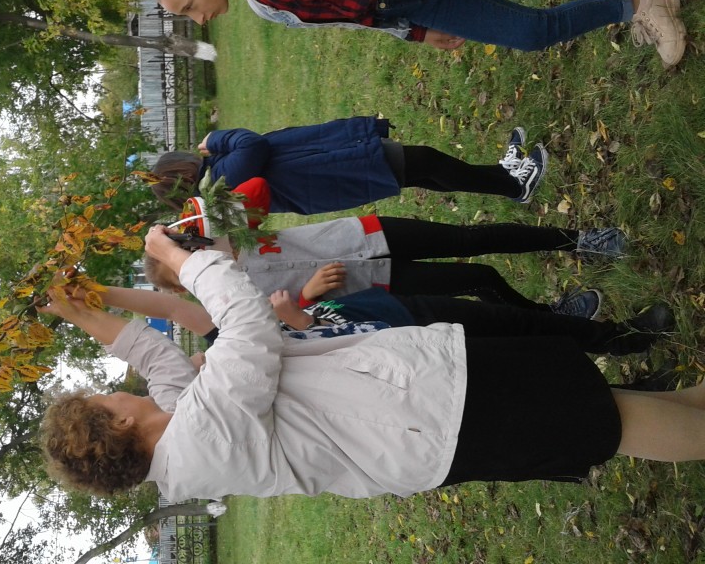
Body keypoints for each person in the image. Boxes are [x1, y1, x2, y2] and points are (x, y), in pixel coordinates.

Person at [39, 226, 705, 501]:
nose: (117, 392)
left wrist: (85, 310)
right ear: (118, 425)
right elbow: (243, 325)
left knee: (597, 398)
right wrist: (182, 260)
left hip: (429, 399)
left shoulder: (182, 423)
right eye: (105, 400)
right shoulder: (202, 438)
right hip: (440, 419)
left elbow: (155, 355)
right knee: (605, 419)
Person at [145, 212, 627, 319]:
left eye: (187, 249)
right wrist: (309, 293)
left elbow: (250, 194)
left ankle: (579, 241)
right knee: (479, 278)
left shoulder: (225, 235)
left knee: (471, 238)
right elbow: (279, 325)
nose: (195, 256)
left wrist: (178, 231)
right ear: (185, 284)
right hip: (373, 281)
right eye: (183, 262)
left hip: (366, 235)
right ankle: (550, 318)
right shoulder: (224, 300)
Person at [80, 279, 671, 355]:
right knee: (522, 354)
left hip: (398, 310)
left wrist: (97, 292)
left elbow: (169, 305)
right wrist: (295, 317)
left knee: (511, 322)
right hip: (414, 351)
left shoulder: (222, 320)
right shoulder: (237, 353)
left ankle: (621, 337)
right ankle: (631, 376)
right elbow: (308, 347)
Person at [153, 0, 688, 66]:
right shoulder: (266, 8)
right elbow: (357, 18)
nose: (200, 19)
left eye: (191, 5)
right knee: (531, 32)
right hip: (422, 3)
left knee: (531, 31)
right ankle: (640, 0)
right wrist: (415, 32)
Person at [150, 119, 548, 213]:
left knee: (422, 170)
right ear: (183, 172)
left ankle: (503, 175)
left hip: (335, 170)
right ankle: (514, 185)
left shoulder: (216, 182)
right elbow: (253, 144)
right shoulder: (219, 179)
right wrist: (216, 139)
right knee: (425, 160)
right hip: (339, 171)